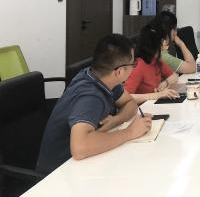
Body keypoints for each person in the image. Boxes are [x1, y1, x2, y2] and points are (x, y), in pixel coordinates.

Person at [36, 34, 152, 174]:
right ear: (120, 71)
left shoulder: (102, 77)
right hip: (57, 174)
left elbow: (130, 103)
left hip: (84, 163)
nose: (134, 68)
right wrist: (130, 132)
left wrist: (115, 120)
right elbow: (79, 148)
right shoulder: (90, 96)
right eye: (133, 64)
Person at [124, 22, 180, 104]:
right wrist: (157, 95)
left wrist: (164, 84)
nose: (165, 44)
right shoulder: (139, 66)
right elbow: (126, 97)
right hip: (141, 108)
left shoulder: (155, 61)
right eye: (162, 41)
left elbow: (174, 76)